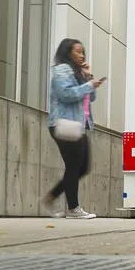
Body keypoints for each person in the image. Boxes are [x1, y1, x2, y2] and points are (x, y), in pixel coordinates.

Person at [42, 38, 105, 220]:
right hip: (63, 123)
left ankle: (52, 197)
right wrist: (88, 85)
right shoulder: (62, 70)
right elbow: (66, 94)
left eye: (83, 51)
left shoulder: (78, 72)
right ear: (67, 52)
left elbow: (91, 97)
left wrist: (88, 77)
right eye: (78, 51)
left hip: (79, 125)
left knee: (83, 167)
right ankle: (73, 208)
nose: (82, 55)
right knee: (74, 165)